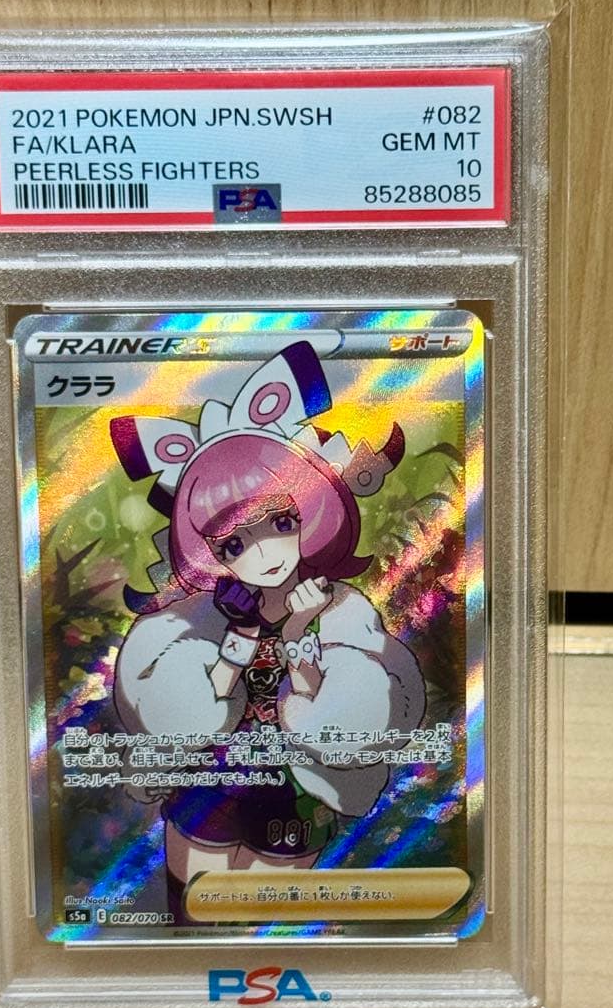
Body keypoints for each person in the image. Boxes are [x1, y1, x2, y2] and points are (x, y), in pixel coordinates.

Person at [110, 341, 425, 922]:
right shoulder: (197, 617)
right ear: (210, 550)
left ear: (309, 513)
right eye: (234, 543)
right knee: (196, 913)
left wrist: (302, 631)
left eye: (280, 522)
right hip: (210, 777)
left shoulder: (343, 611)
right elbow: (182, 715)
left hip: (297, 790)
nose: (264, 553)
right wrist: (237, 641)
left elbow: (343, 722)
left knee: (260, 919)